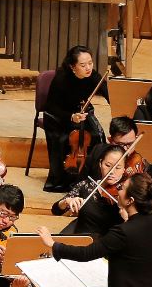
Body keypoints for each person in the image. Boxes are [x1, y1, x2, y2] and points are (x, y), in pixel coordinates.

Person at [42, 45, 106, 192]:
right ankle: (63, 180)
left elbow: (108, 92)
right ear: (72, 66)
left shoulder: (93, 76)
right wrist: (71, 117)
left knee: (97, 135)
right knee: (65, 140)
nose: (88, 68)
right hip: (58, 118)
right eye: (83, 65)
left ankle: (90, 176)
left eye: (90, 63)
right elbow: (51, 107)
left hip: (81, 114)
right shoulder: (61, 79)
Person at [53, 142, 129, 238]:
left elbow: (139, 226)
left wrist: (128, 218)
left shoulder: (128, 193)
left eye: (118, 167)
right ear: (100, 163)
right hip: (84, 237)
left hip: (110, 242)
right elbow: (56, 210)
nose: (111, 171)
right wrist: (67, 201)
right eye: (107, 165)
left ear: (124, 169)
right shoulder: (86, 186)